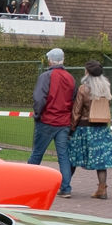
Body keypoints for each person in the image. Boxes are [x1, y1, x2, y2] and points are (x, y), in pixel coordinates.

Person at [69, 60, 112, 198]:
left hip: (84, 128)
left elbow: (77, 111)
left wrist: (71, 128)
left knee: (73, 158)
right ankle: (102, 188)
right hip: (101, 128)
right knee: (101, 161)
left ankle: (65, 185)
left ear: (87, 72)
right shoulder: (105, 89)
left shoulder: (83, 89)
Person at [28, 48, 75, 197]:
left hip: (47, 120)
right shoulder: (70, 78)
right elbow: (73, 99)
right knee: (63, 156)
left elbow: (39, 97)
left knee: (37, 153)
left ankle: (25, 182)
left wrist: (37, 114)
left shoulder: (46, 76)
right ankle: (66, 187)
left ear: (50, 60)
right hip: (63, 122)